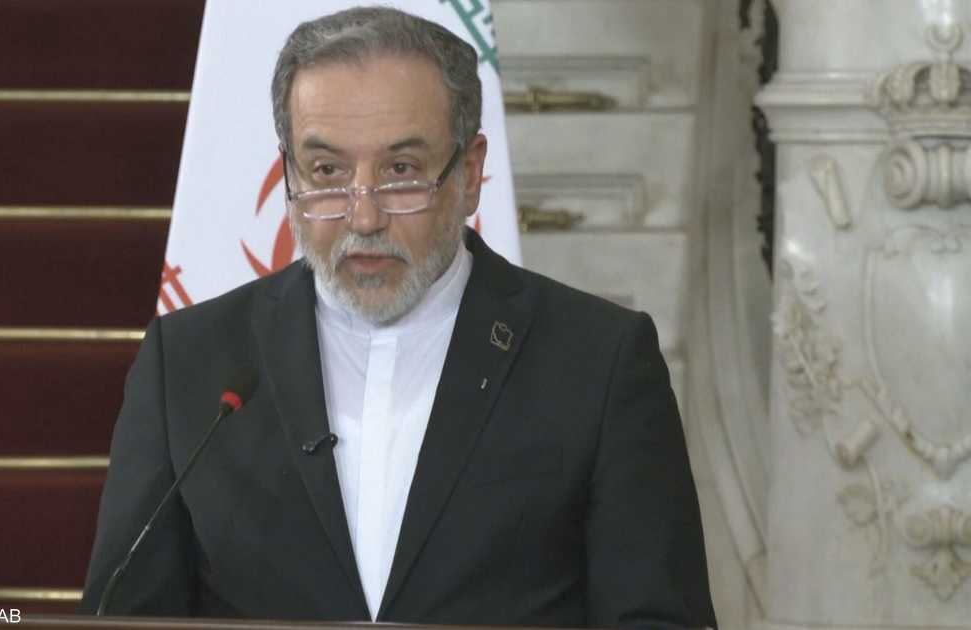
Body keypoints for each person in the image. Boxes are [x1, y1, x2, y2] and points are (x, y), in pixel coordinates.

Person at [80, 7, 716, 628]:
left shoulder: (598, 362)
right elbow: (124, 615)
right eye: (327, 172)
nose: (363, 217)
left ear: (470, 174)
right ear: (290, 175)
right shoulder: (188, 362)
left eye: (402, 171)